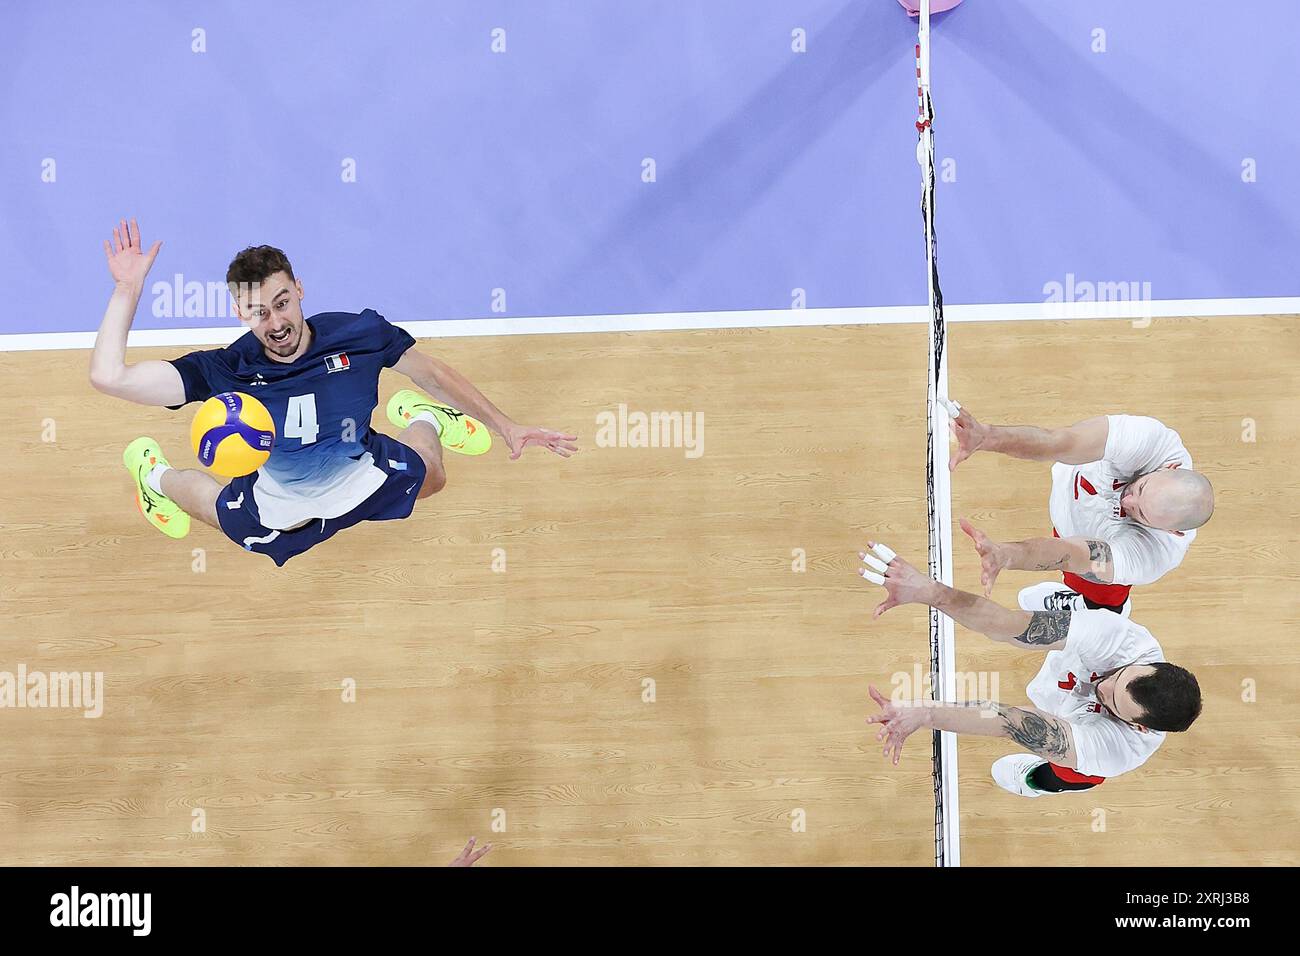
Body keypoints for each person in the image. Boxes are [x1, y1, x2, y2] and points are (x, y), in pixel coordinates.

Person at [91, 219, 577, 565]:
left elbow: (431, 372)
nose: (276, 322)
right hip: (282, 504)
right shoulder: (224, 369)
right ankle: (152, 477)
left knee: (434, 479)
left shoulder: (358, 335)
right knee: (218, 514)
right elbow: (108, 377)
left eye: (282, 303)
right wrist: (127, 290)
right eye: (259, 312)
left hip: (359, 472)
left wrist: (505, 425)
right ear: (241, 313)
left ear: (299, 289)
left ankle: (424, 418)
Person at [859, 540, 1202, 795]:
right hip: (1087, 650)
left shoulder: (1119, 747)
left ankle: (1034, 781)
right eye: (1119, 678)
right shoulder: (1127, 644)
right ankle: (1074, 611)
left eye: (1113, 701)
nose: (1105, 688)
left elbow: (1009, 722)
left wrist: (925, 715)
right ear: (1146, 665)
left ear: (1138, 728)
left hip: (1078, 733)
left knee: (1075, 774)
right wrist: (929, 591)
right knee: (1076, 619)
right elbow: (1007, 625)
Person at [946, 401, 1212, 616]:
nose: (1127, 500)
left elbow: (1071, 554)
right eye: (1141, 489)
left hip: (1080, 539)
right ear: (1170, 467)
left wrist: (1005, 555)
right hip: (1069, 500)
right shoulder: (1155, 443)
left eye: (1141, 513)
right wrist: (986, 437)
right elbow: (1063, 442)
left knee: (1101, 601)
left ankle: (1093, 609)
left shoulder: (1155, 555)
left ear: (1172, 532)